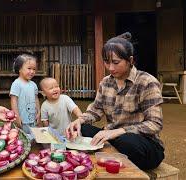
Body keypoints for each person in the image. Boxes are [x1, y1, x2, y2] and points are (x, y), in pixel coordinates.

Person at [65, 32, 164, 170]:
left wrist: (119, 131)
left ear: (130, 60)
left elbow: (155, 124)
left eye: (116, 62)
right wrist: (79, 121)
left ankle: (113, 154)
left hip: (144, 145)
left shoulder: (147, 82)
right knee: (84, 129)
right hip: (113, 138)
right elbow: (95, 111)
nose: (110, 68)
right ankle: (112, 156)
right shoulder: (106, 82)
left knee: (127, 141)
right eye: (106, 62)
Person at [10, 54, 40, 135]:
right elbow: (13, 101)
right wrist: (16, 116)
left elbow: (36, 99)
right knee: (22, 138)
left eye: (34, 69)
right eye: (29, 68)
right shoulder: (16, 84)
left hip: (32, 118)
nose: (32, 71)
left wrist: (38, 112)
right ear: (19, 69)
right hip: (22, 120)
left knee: (34, 138)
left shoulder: (33, 84)